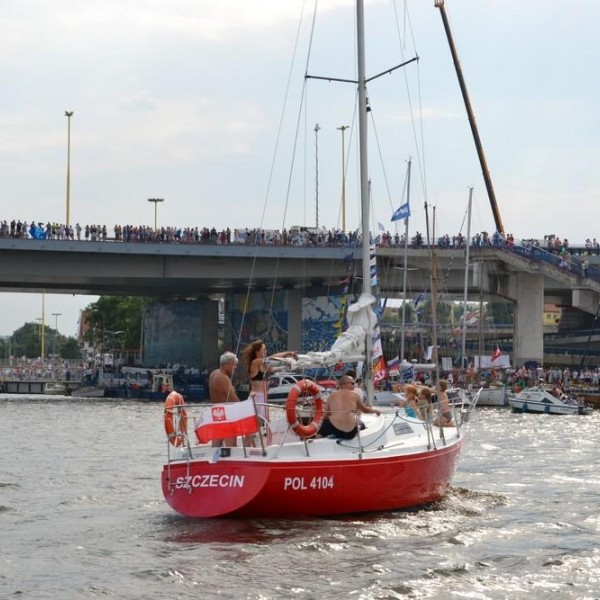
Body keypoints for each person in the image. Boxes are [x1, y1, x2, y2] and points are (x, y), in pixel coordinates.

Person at [241, 339, 297, 421]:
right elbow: (271, 359)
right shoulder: (255, 362)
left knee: (266, 421)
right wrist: (286, 354)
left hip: (263, 397)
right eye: (263, 349)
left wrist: (285, 366)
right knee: (256, 422)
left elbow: (274, 369)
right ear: (257, 352)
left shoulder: (263, 365)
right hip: (256, 397)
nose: (265, 351)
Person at [318, 375, 381, 440]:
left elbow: (325, 415)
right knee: (362, 425)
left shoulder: (332, 396)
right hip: (350, 433)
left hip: (333, 430)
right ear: (345, 384)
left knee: (323, 425)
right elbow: (365, 410)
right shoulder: (355, 395)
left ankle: (319, 442)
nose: (354, 386)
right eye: (352, 383)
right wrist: (376, 411)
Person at [208, 351, 240, 447]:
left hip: (216, 413)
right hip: (226, 414)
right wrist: (244, 409)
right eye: (233, 365)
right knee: (231, 446)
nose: (235, 368)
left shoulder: (213, 374)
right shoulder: (223, 377)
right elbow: (232, 397)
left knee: (216, 445)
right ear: (226, 365)